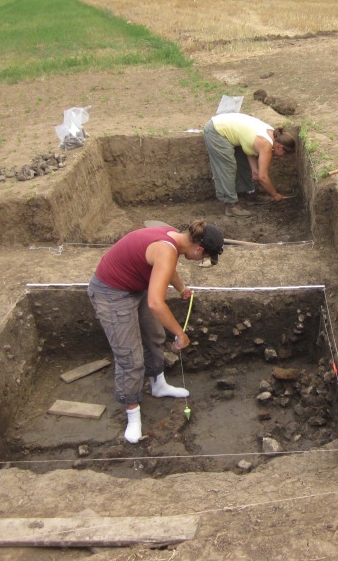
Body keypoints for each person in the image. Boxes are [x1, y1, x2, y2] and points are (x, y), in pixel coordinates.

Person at [86, 221, 224, 444]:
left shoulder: (174, 239)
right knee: (130, 357)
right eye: (206, 257)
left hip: (133, 288)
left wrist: (181, 288)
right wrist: (181, 334)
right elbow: (156, 304)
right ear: (199, 249)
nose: (203, 260)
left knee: (155, 335)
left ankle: (158, 385)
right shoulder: (166, 249)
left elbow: (166, 269)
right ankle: (132, 414)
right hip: (110, 294)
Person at [203, 112, 297, 218]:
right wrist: (275, 195)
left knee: (242, 162)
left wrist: (254, 169)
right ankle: (230, 206)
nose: (283, 156)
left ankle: (249, 194)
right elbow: (263, 177)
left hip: (229, 130)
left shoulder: (273, 135)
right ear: (280, 146)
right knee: (227, 168)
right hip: (216, 131)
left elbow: (248, 146)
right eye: (285, 153)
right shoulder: (265, 144)